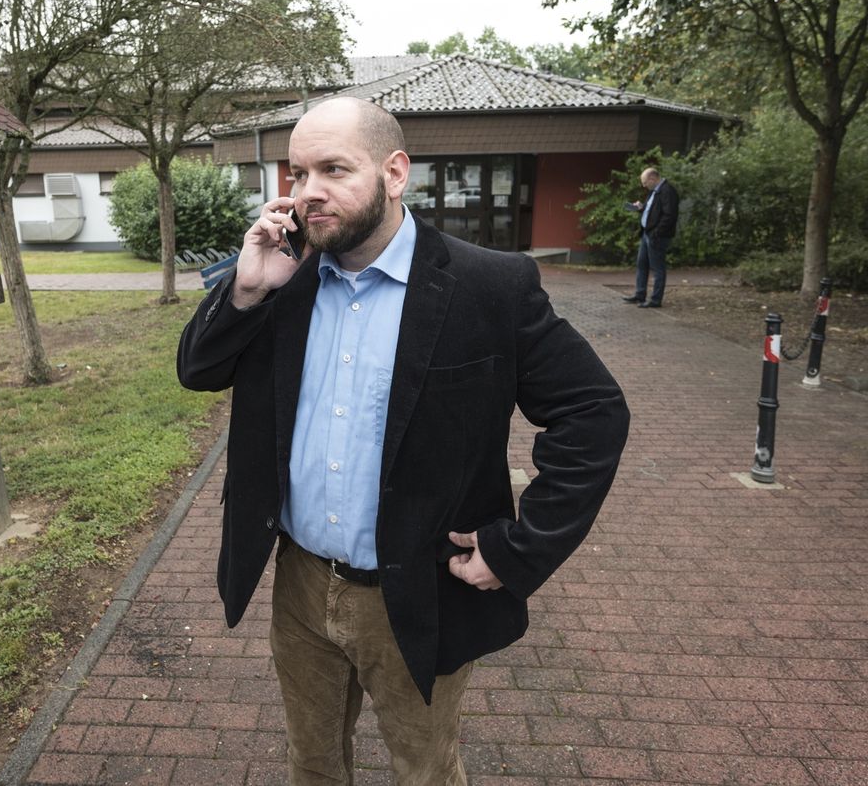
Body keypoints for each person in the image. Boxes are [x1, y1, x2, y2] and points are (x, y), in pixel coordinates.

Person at [176, 97, 628, 786]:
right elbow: (198, 371)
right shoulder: (283, 278)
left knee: (424, 768)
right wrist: (245, 290)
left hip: (418, 592)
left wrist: (520, 548)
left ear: (395, 173)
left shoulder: (487, 287)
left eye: (333, 168)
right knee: (313, 763)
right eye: (298, 173)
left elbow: (594, 411)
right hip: (300, 583)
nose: (308, 193)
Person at [622, 167, 679, 308]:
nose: (644, 185)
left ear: (653, 179)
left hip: (657, 236)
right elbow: (653, 211)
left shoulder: (667, 191)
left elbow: (669, 216)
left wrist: (656, 233)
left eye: (645, 182)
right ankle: (640, 294)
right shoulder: (654, 192)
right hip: (647, 234)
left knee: (658, 268)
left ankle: (655, 300)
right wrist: (641, 208)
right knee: (642, 264)